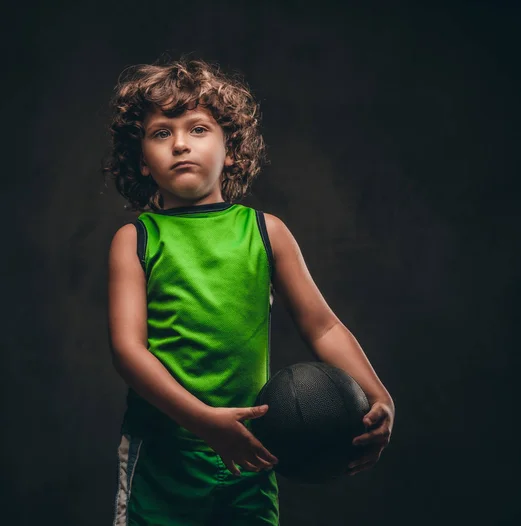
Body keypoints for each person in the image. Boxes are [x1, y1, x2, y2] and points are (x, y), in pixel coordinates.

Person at [104, 56, 395, 526]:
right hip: (164, 457)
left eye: (198, 129)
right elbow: (128, 351)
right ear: (142, 159)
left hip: (251, 454)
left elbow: (323, 326)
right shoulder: (135, 239)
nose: (180, 144)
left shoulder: (265, 232)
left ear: (231, 149)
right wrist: (203, 422)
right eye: (161, 133)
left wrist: (380, 397)